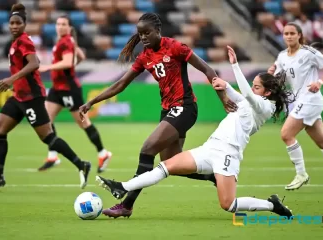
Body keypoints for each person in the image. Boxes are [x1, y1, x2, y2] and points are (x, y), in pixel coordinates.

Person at [95, 46, 293, 219]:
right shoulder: (253, 102)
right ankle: (123, 187)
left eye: (257, 86)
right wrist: (225, 86)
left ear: (267, 92)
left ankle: (271, 205)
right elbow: (242, 97)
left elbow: (247, 96)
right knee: (166, 166)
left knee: (228, 205)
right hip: (210, 147)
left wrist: (235, 66)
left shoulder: (265, 108)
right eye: (253, 84)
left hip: (228, 153)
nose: (252, 88)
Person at [79, 13, 234, 218]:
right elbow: (120, 84)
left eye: (147, 32)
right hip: (168, 110)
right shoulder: (144, 56)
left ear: (157, 31)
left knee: (147, 149)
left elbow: (207, 69)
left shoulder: (175, 47)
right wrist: (92, 102)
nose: (143, 37)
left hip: (185, 107)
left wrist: (223, 98)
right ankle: (214, 176)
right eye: (140, 34)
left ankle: (126, 204)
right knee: (172, 163)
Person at [0, 3, 91, 189]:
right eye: (11, 23)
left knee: (47, 137)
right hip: (19, 96)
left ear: (24, 25)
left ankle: (82, 165)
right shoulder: (14, 43)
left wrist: (11, 79)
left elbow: (34, 63)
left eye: (17, 23)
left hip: (32, 97)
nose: (14, 26)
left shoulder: (24, 41)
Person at [268, 22, 323, 193]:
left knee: (286, 134)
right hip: (301, 101)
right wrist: (268, 76)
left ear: (299, 35)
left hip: (311, 99)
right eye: (286, 33)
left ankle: (301, 174)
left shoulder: (308, 53)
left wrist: (320, 82)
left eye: (292, 33)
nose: (288, 36)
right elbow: (273, 74)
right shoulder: (282, 56)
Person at [37, 16, 112, 173]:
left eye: (64, 24)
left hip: (69, 89)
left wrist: (48, 67)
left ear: (69, 27)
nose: (60, 27)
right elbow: (81, 57)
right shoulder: (66, 41)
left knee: (83, 122)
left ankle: (103, 153)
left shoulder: (66, 42)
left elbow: (68, 62)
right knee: (46, 120)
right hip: (58, 88)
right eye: (58, 24)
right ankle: (52, 155)